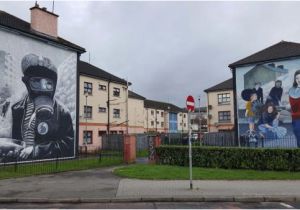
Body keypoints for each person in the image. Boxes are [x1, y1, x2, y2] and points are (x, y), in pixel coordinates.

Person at [10, 54, 74, 160]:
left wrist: (37, 150)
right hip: (21, 164)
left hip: (45, 166)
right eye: (36, 82)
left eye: (48, 84)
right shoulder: (17, 109)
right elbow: (16, 140)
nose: (42, 88)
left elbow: (67, 145)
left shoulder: (62, 112)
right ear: (26, 82)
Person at [289, 70, 300, 147]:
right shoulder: (292, 91)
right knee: (299, 137)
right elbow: (294, 106)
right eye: (297, 78)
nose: (299, 80)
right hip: (297, 118)